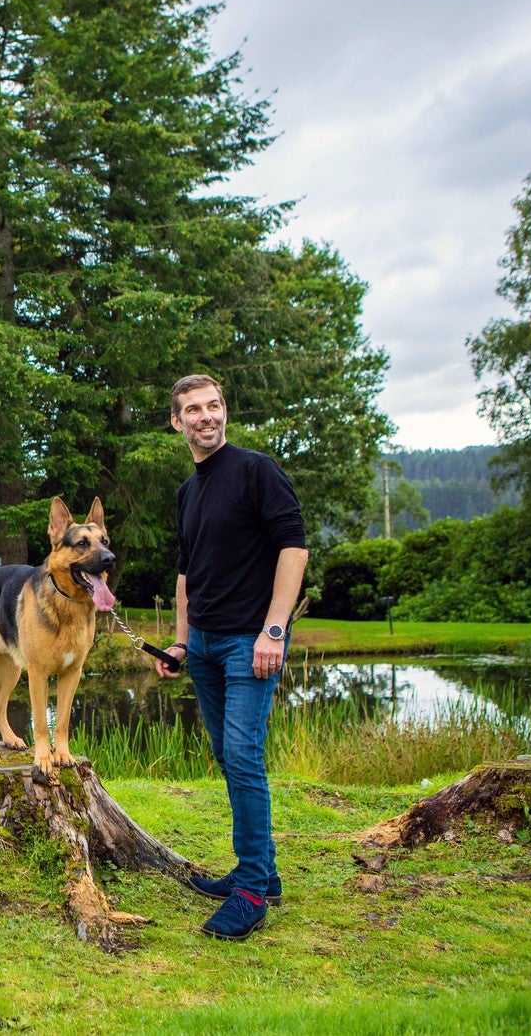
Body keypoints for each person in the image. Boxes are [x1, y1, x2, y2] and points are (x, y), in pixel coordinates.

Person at [156, 374, 308, 940]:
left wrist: (274, 629)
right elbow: (186, 572)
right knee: (227, 754)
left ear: (225, 412)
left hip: (252, 641)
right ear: (177, 422)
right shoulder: (188, 491)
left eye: (214, 406)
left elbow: (293, 547)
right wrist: (180, 639)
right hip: (205, 646)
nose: (206, 416)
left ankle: (248, 891)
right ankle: (263, 875)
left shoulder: (256, 470)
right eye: (193, 410)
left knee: (243, 755)